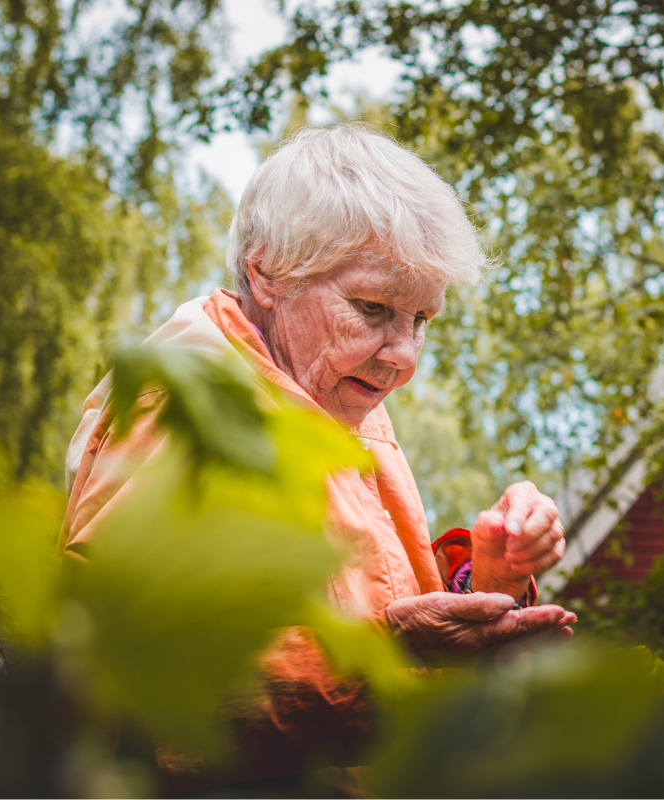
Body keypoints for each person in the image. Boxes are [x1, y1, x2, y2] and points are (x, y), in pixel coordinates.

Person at [59, 124, 575, 792]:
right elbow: (118, 694)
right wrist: (379, 659)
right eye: (372, 308)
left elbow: (374, 607)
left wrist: (489, 584)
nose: (404, 357)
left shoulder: (334, 398)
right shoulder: (186, 413)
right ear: (267, 271)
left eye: (421, 320)